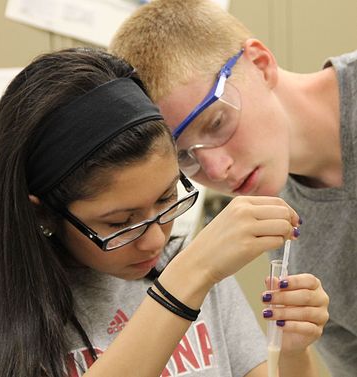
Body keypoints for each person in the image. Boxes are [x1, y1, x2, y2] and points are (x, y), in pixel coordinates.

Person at [0, 47, 328, 377]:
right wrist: (187, 278)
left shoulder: (197, 272)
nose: (154, 241)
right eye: (120, 223)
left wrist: (292, 350)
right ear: (42, 214)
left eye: (165, 200)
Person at [109, 1, 357, 375]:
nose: (217, 169)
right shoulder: (284, 225)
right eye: (185, 157)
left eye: (216, 122)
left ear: (260, 63)